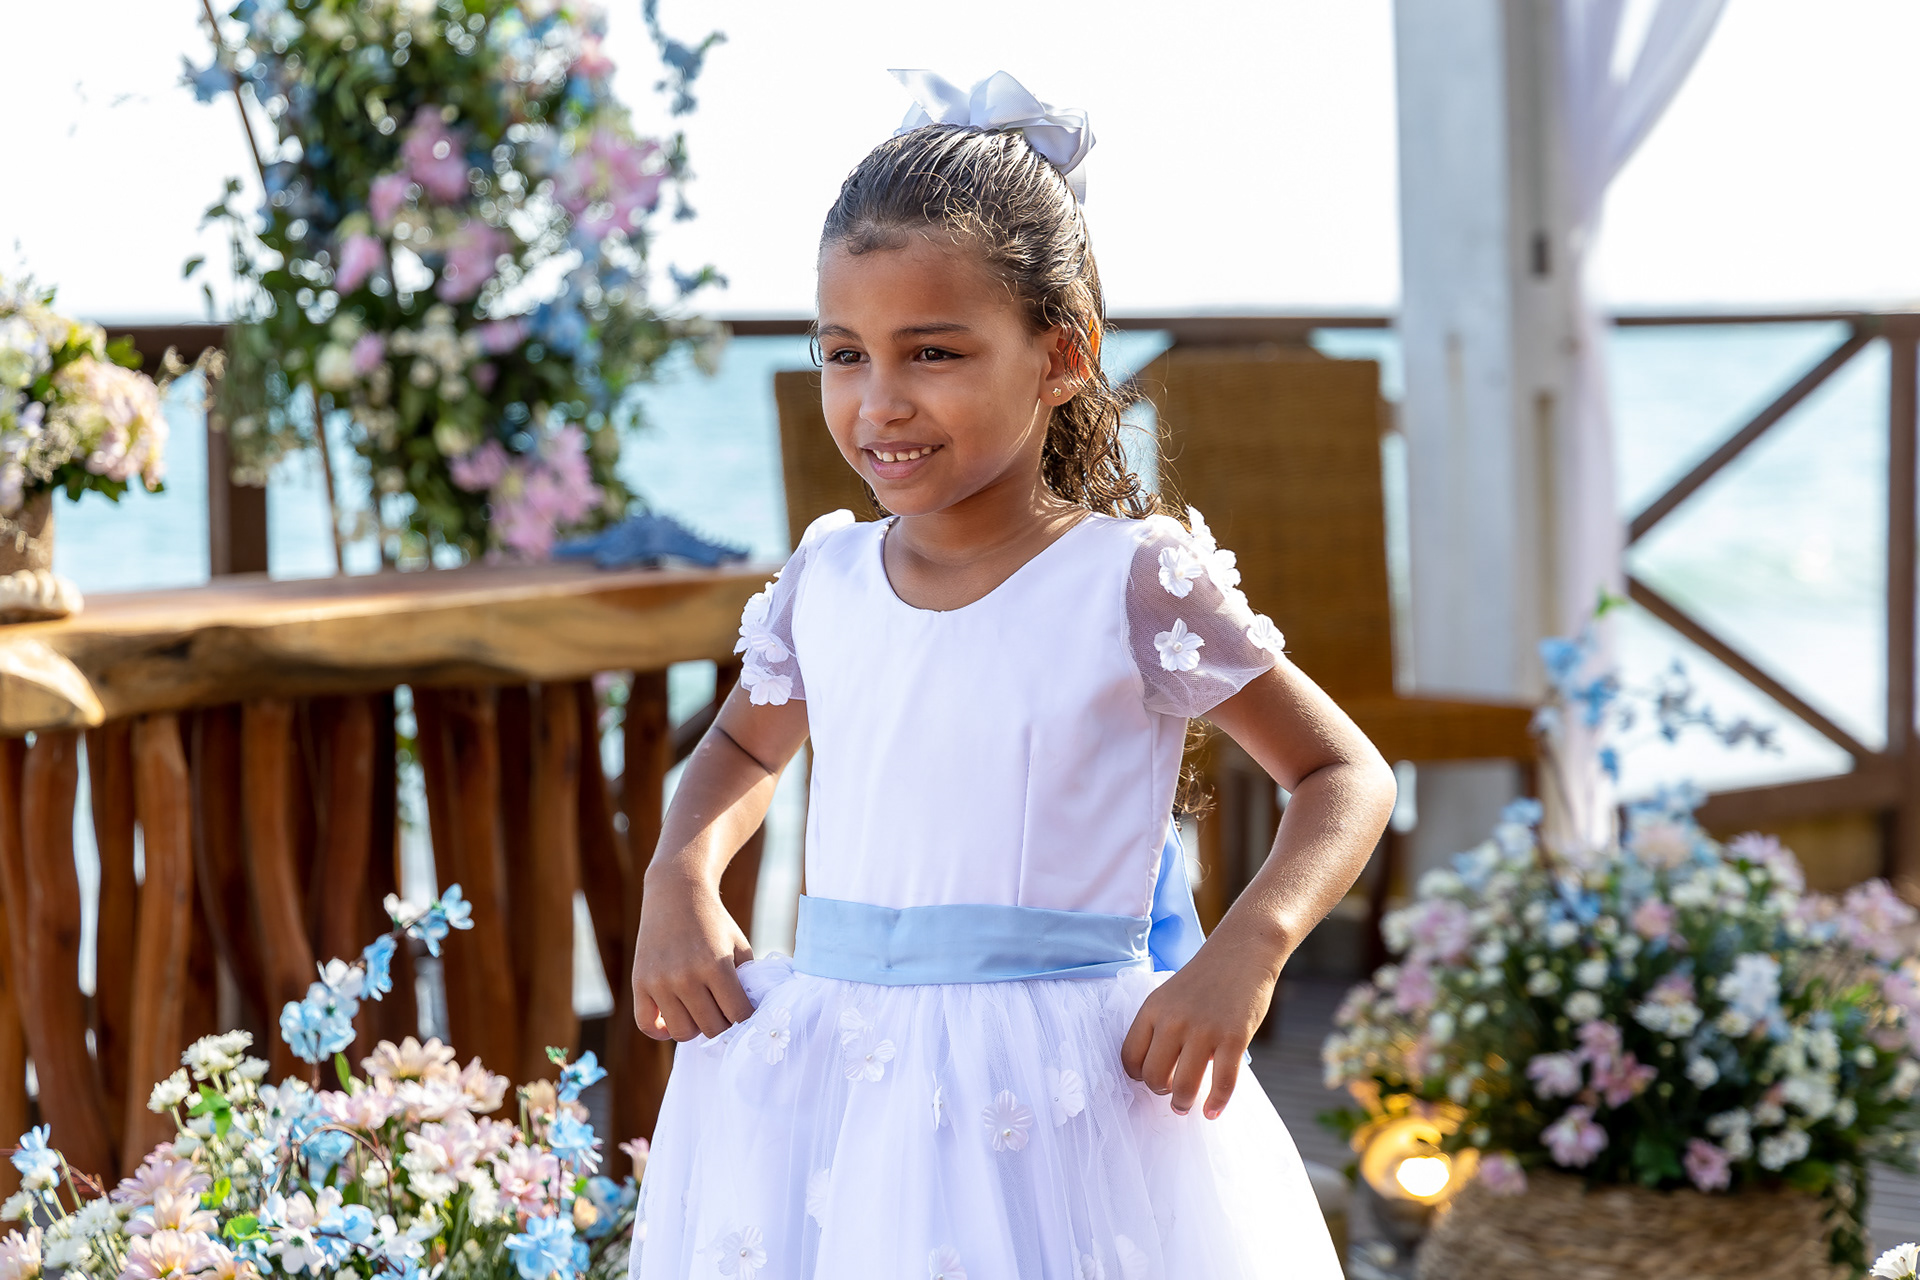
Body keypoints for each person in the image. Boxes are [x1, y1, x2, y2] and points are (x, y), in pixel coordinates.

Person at [629, 69, 1396, 1278]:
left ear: (1061, 356)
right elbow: (737, 746)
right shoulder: (826, 578)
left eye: (932, 351)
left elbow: (1343, 773)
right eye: (843, 353)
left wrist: (1245, 952)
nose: (880, 401)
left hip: (1064, 1096)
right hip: (839, 1085)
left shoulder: (1132, 579)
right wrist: (680, 871)